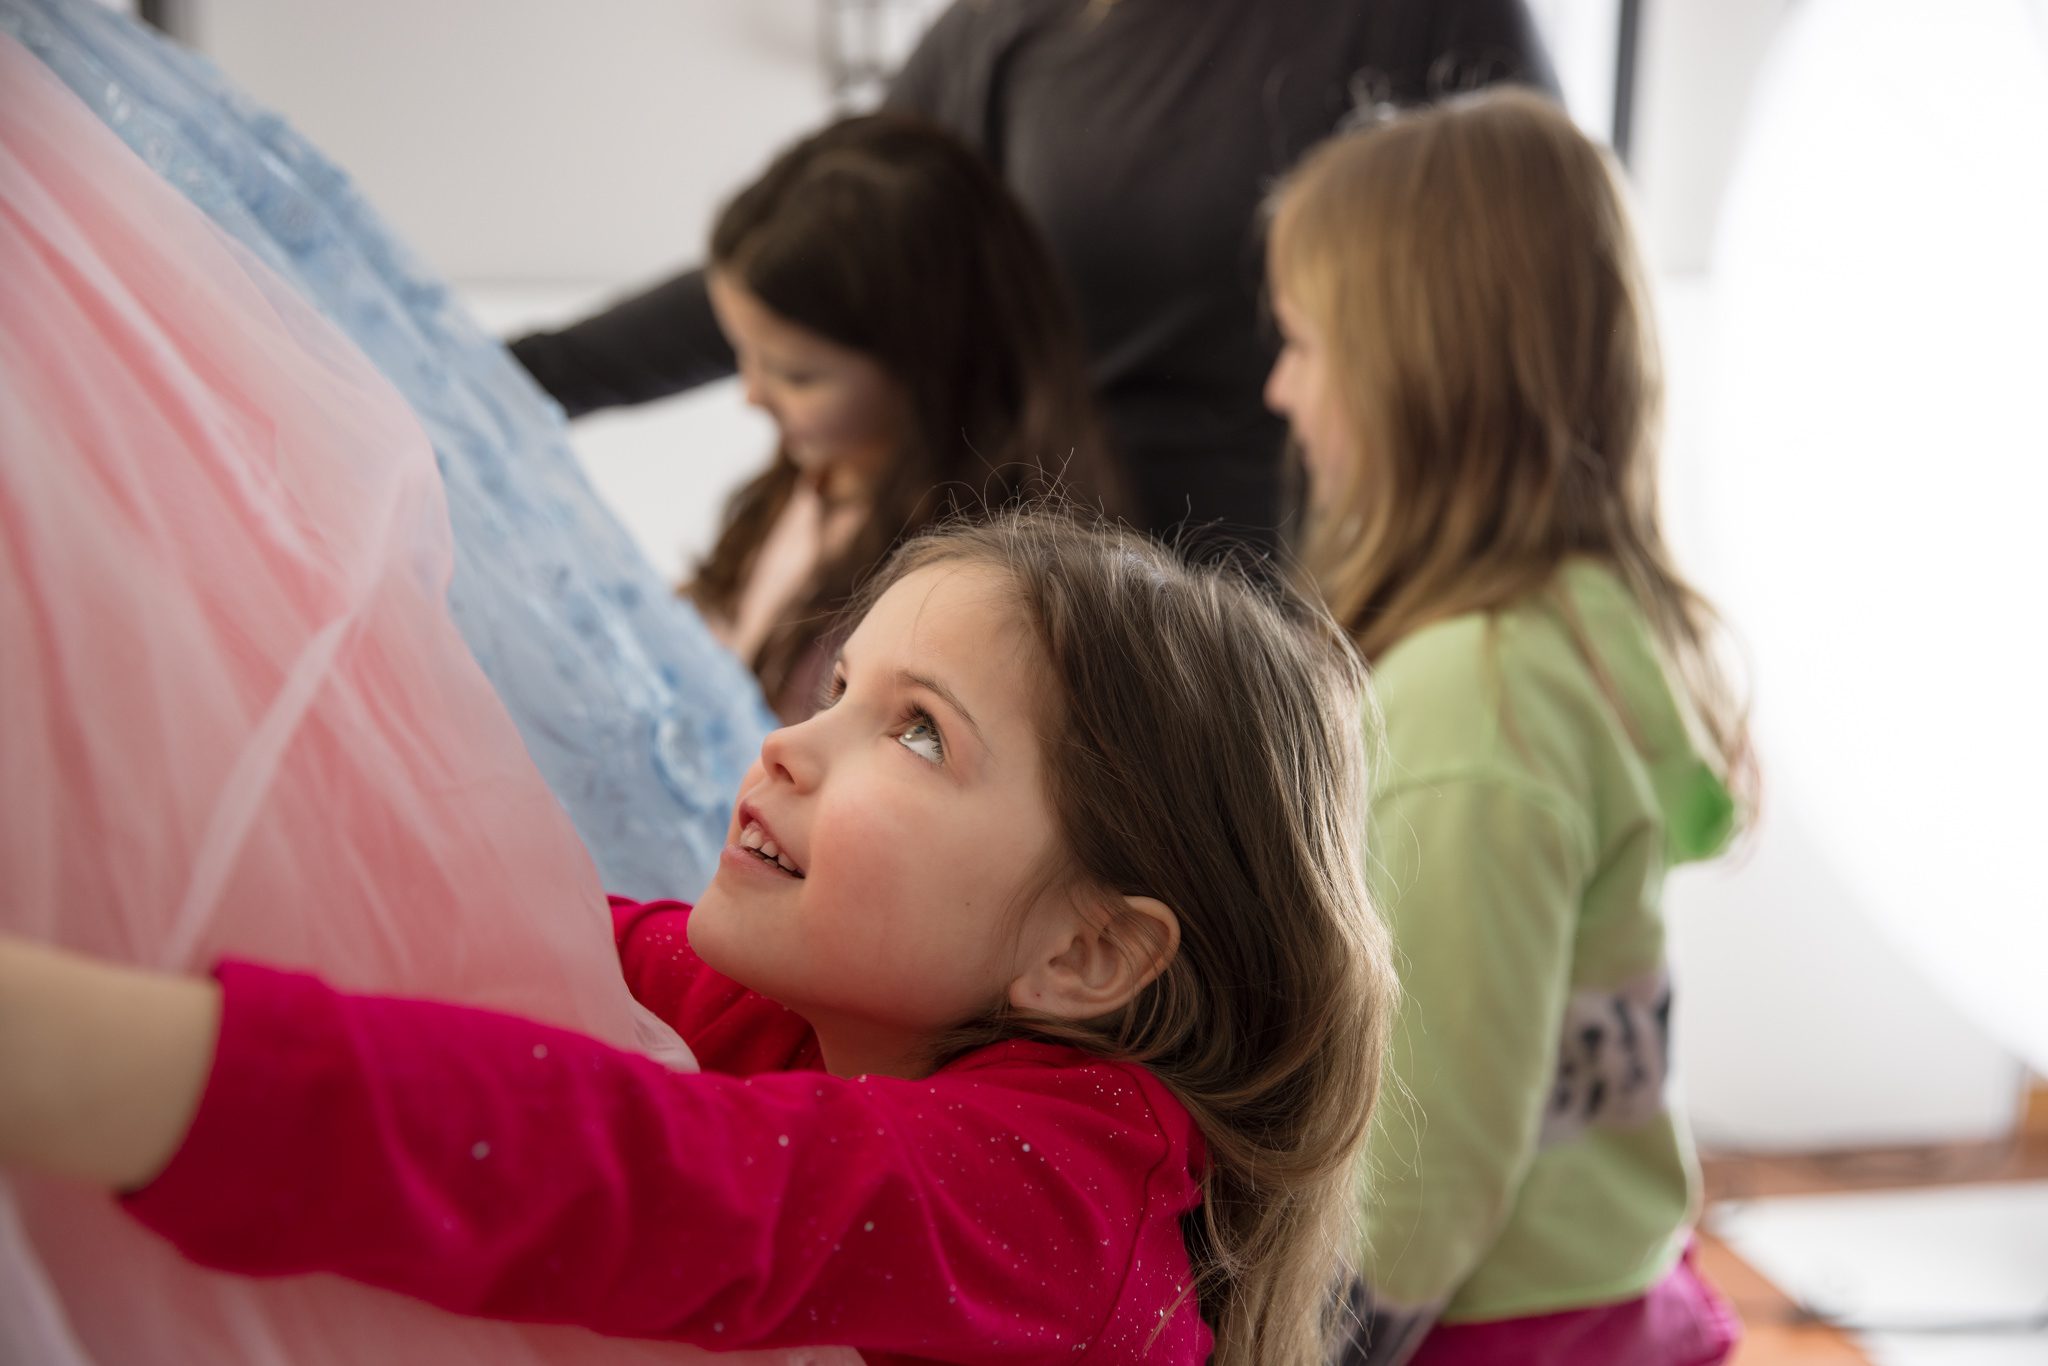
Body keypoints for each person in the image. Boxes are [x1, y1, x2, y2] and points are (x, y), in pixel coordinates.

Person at [0, 511, 1400, 1366]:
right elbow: (499, 934)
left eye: (917, 733)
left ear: (1086, 955)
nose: (790, 745)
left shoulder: (1050, 1204)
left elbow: (633, 1168)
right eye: (839, 687)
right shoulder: (805, 1000)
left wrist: (111, 1061)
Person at [1263, 89, 1753, 1365]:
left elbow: (1429, 1155)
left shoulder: (1465, 702)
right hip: (1603, 1280)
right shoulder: (1580, 630)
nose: (1276, 389)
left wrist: (1327, 1341)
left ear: (1416, 376)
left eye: (1302, 345)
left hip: (1495, 1328)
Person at [510, 0, 1559, 553]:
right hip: (1061, 596)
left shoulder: (1422, 9)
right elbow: (806, 264)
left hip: (1308, 610)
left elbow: (1559, 301)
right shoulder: (1006, 25)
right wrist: (519, 376)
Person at [685, 112, 1113, 718]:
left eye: (795, 375)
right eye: (742, 356)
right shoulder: (821, 466)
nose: (751, 396)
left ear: (931, 368)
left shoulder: (973, 595)